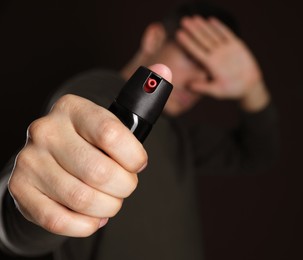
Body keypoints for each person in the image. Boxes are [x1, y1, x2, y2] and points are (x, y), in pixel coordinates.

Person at [0, 2, 278, 260]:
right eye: (193, 58)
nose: (197, 83)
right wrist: (24, 209)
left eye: (210, 74)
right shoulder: (95, 93)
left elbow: (257, 154)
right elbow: (18, 216)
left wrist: (251, 86)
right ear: (155, 38)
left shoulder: (181, 137)